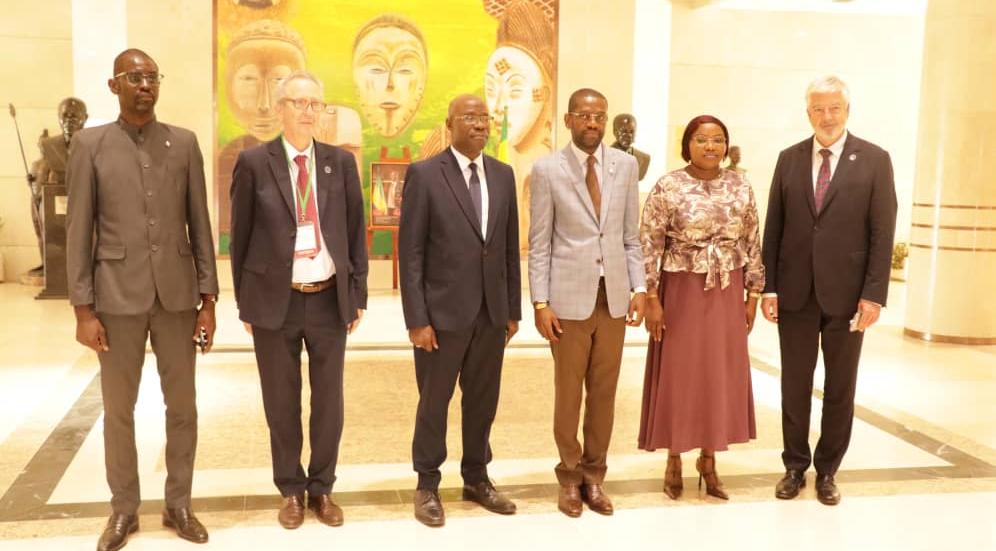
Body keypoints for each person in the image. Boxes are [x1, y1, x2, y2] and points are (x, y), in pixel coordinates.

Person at [66, 49, 217, 551]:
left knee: (184, 407)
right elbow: (78, 231)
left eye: (152, 77)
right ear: (114, 85)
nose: (146, 85)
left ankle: (179, 504)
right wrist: (83, 309)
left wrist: (208, 300)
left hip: (176, 299)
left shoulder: (184, 143)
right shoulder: (90, 145)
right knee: (118, 411)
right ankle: (123, 509)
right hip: (115, 298)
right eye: (135, 77)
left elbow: (200, 224)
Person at [229, 70, 368, 529]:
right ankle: (290, 488)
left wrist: (357, 294)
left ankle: (322, 487)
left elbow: (354, 232)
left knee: (329, 401)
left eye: (315, 104)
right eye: (299, 103)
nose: (308, 112)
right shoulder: (254, 163)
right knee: (281, 400)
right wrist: (245, 302)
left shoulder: (338, 163)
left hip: (328, 299)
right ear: (281, 108)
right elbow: (240, 236)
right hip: (275, 302)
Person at [761, 75, 897, 506]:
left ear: (847, 110)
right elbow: (774, 227)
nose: (827, 116)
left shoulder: (875, 160)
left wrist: (873, 294)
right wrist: (769, 287)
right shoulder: (789, 159)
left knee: (840, 388)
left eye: (834, 107)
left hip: (848, 297)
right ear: (808, 113)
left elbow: (882, 231)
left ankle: (827, 471)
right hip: (796, 294)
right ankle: (794, 465)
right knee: (794, 385)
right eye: (818, 109)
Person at [399, 94, 521, 527]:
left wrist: (512, 310)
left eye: (485, 117)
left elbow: (508, 248)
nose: (480, 124)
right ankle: (427, 483)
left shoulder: (503, 175)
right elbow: (411, 253)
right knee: (434, 402)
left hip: (491, 314)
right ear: (449, 124)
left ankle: (477, 477)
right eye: (470, 117)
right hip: (441, 316)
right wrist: (417, 319)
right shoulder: (425, 175)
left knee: (483, 401)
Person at [528, 88, 646, 518]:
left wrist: (639, 288)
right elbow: (540, 243)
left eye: (599, 116)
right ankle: (569, 477)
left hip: (612, 298)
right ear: (568, 120)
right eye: (584, 116)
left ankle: (595, 476)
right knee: (568, 394)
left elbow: (630, 236)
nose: (593, 123)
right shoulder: (547, 169)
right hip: (567, 300)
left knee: (604, 393)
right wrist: (540, 301)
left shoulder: (625, 167)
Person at [639, 115, 764, 501]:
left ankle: (709, 460)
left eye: (718, 140)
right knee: (681, 373)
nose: (711, 146)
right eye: (702, 140)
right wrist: (651, 297)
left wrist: (753, 295)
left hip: (727, 289)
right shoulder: (668, 185)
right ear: (687, 145)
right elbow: (649, 242)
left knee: (718, 373)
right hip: (681, 289)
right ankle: (674, 456)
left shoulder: (740, 185)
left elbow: (752, 239)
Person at [610, 113, 650, 181]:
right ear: (615, 132)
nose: (629, 135)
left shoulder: (644, 158)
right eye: (624, 131)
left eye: (632, 131)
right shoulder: (603, 156)